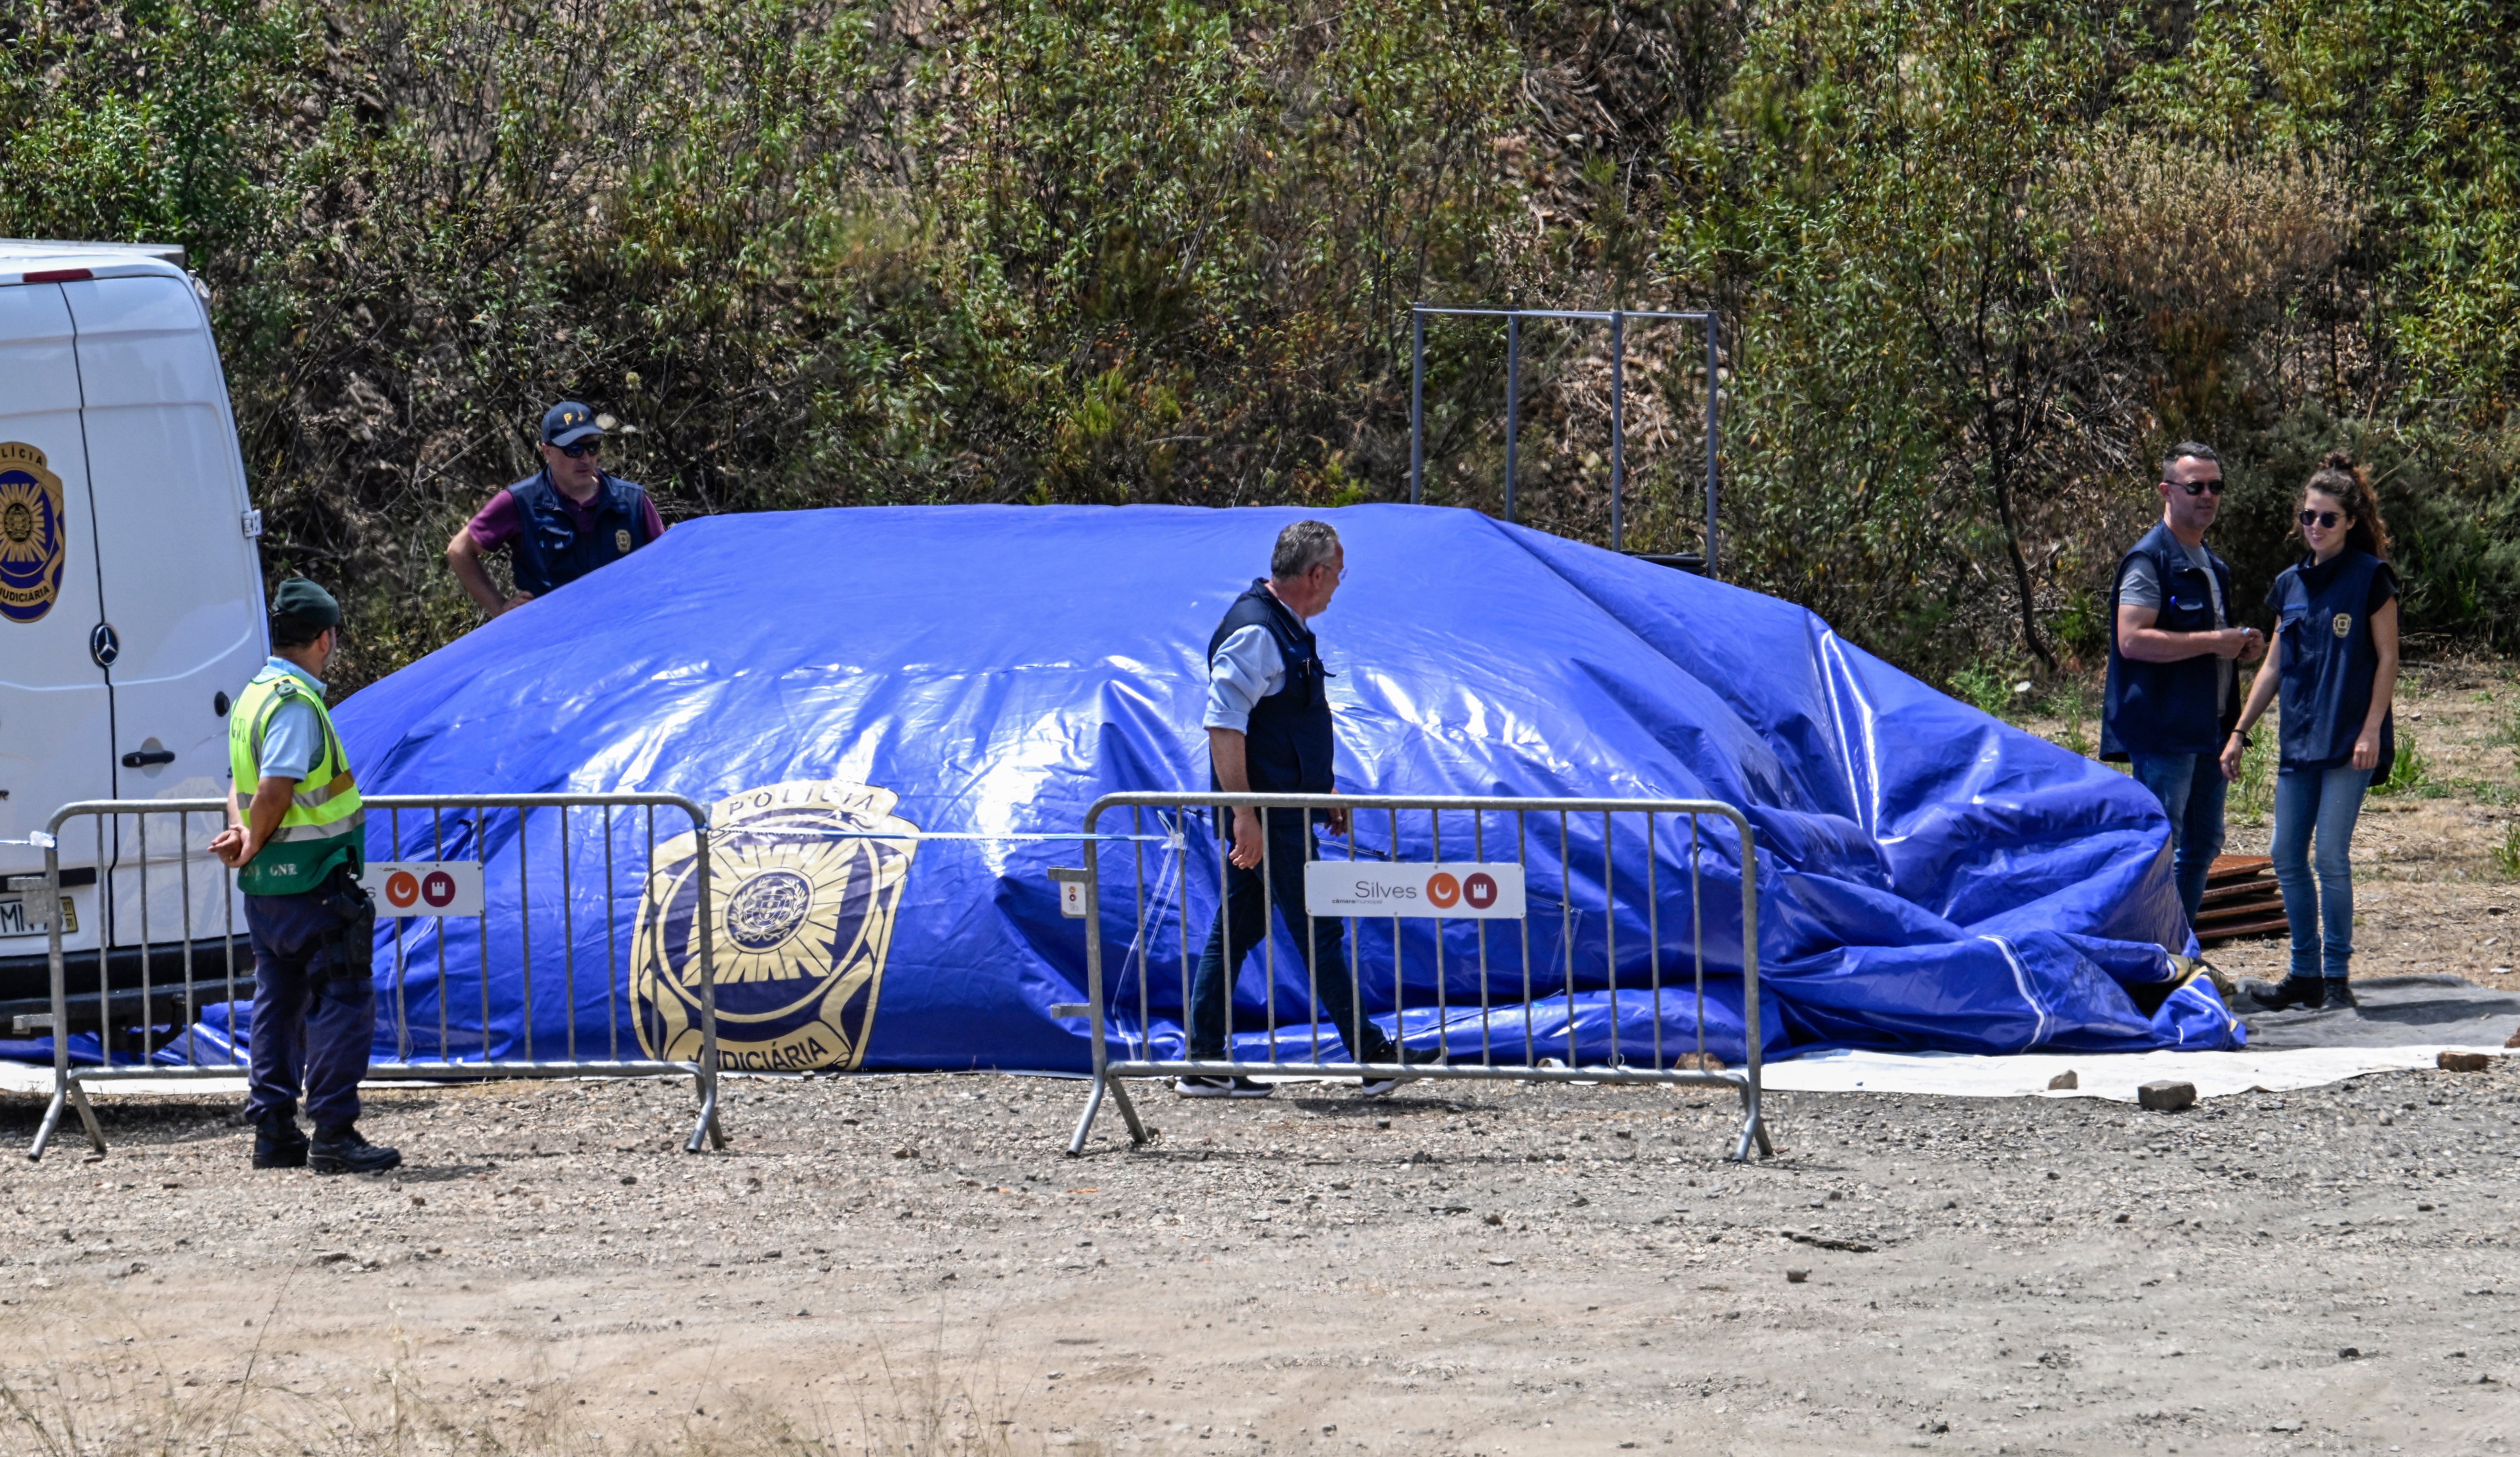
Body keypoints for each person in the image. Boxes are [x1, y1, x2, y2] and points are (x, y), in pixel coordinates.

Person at [1181, 521, 1435, 1099]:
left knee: (1238, 925)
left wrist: (1321, 788)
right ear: (1315, 573)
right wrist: (1245, 812)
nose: (1337, 587)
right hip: (1269, 815)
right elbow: (1223, 723)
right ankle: (1371, 1057)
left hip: (1284, 808)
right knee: (1318, 928)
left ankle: (1202, 1056)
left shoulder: (1283, 628)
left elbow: (1287, 724)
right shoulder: (1257, 632)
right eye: (1337, 575)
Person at [209, 579, 400, 1174]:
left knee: (278, 1000)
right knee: (343, 999)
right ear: (325, 637)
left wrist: (244, 839)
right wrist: (256, 835)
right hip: (315, 880)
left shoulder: (253, 695)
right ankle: (335, 1132)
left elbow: (236, 789)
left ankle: (274, 1129)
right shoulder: (295, 702)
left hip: (268, 890)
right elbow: (274, 786)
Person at [2224, 452, 2400, 1012]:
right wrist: (2239, 730)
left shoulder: (2370, 578)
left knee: (2329, 856)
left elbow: (2388, 658)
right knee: (2284, 854)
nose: (2315, 527)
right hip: (2299, 739)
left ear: (2349, 521)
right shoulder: (2288, 584)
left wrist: (2371, 729)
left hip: (2350, 740)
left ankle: (2334, 975)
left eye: (2326, 518)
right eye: (2307, 517)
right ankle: (2301, 971)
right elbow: (2273, 665)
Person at [2101, 442, 2266, 924]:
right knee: (2161, 845)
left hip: (2209, 730)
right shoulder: (2147, 560)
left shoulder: (2213, 566)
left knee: (2203, 843)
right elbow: (2131, 640)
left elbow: (2207, 643)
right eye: (2195, 487)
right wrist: (2213, 641)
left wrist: (2238, 647)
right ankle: (2151, 957)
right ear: (2166, 491)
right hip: (2163, 730)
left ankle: (2179, 949)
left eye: (2216, 487)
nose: (2207, 496)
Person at [445, 401, 663, 617]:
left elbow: (668, 559)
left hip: (628, 625)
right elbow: (459, 550)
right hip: (557, 639)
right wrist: (500, 608)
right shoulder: (520, 503)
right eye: (574, 450)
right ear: (547, 451)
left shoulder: (631, 500)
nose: (586, 458)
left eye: (592, 447)